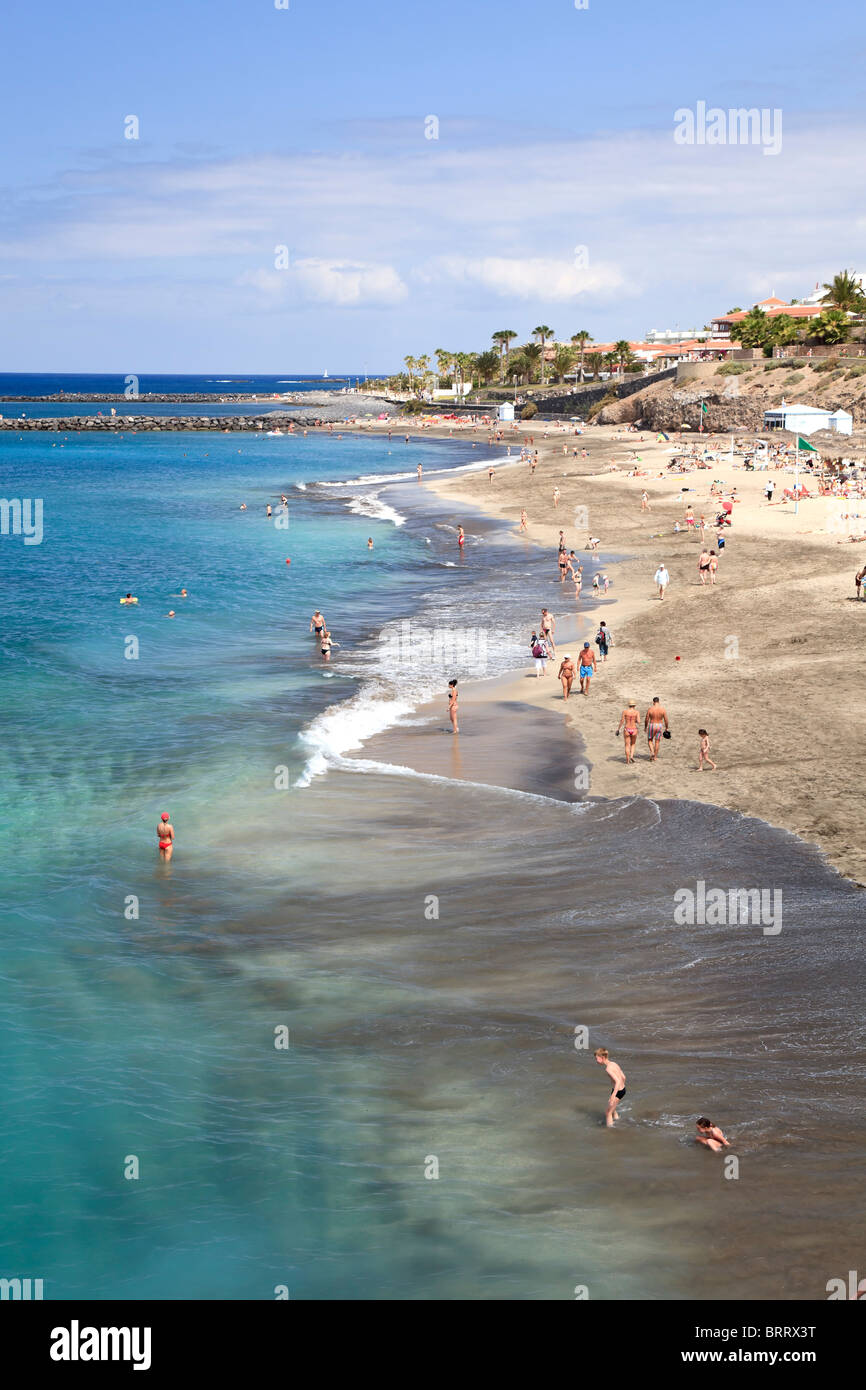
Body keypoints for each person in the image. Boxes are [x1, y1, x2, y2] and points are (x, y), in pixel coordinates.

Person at [595, 1047, 626, 1128]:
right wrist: (622, 1086)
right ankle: (617, 1120)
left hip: (618, 1091)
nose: (596, 1061)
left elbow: (618, 1082)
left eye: (596, 1058)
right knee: (612, 1108)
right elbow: (623, 1077)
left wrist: (613, 1096)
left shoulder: (608, 1069)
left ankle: (611, 1131)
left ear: (602, 1057)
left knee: (608, 1113)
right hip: (621, 1089)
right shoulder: (614, 1063)